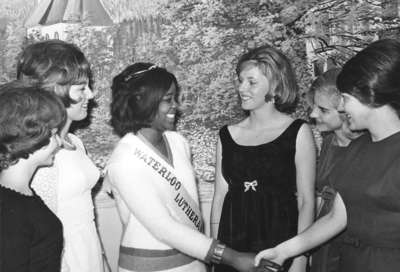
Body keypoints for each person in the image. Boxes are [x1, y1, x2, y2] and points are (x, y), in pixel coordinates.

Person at [105, 62, 278, 272]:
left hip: (193, 263)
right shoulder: (124, 160)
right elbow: (163, 228)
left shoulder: (178, 143)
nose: (176, 106)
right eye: (168, 100)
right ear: (142, 102)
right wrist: (234, 258)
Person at [255, 39, 400, 272]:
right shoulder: (358, 149)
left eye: (346, 99)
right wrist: (284, 251)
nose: (342, 108)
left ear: (370, 95)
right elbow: (336, 218)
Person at [210, 45, 316, 272]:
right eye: (240, 80)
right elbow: (219, 197)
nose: (241, 88)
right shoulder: (226, 135)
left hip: (281, 246)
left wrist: (299, 259)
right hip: (233, 251)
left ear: (275, 85)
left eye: (251, 81)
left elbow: (306, 201)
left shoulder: (298, 132)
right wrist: (216, 255)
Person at [16, 40, 103, 272]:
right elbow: (41, 238)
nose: (91, 95)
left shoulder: (75, 142)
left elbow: (86, 220)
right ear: (57, 90)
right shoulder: (41, 158)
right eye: (81, 88)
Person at [0, 81, 65, 271]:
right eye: (53, 135)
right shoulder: (9, 212)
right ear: (32, 138)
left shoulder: (21, 193)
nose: (59, 142)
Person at [307, 68, 361, 272]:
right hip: (323, 244)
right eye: (313, 107)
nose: (313, 114)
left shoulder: (368, 146)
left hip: (352, 247)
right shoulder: (328, 141)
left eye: (323, 110)